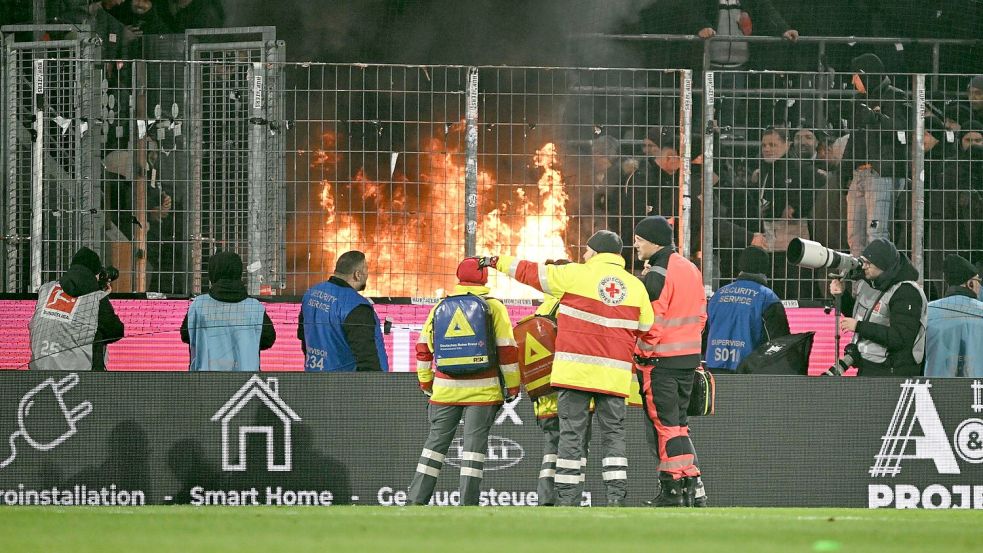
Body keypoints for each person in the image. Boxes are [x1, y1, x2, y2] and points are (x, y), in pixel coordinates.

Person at [484, 230, 654, 507]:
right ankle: (616, 499)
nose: (585, 256)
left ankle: (567, 500)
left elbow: (528, 272)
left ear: (596, 252)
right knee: (614, 438)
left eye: (587, 251)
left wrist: (495, 260)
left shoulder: (575, 275)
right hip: (614, 377)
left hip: (574, 374)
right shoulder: (635, 286)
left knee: (571, 437)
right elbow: (646, 329)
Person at [407, 258, 520, 506]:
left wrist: (427, 383)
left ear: (458, 277)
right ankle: (467, 504)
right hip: (483, 392)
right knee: (473, 451)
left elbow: (423, 349)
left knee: (434, 446)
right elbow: (507, 351)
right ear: (484, 278)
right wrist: (513, 385)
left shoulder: (439, 307)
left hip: (445, 390)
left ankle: (416, 500)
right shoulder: (494, 307)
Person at [631, 216, 707, 507]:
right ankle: (688, 484)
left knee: (665, 427)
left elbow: (652, 321)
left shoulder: (658, 272)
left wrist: (641, 353)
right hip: (687, 360)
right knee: (678, 426)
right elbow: (701, 315)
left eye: (639, 238)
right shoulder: (689, 267)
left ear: (653, 240)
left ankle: (672, 490)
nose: (635, 243)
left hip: (660, 363)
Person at [828, 238, 927, 377]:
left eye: (869, 264)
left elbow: (900, 338)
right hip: (868, 366)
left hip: (894, 371)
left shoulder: (906, 292)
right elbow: (861, 315)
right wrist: (842, 296)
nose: (863, 267)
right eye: (863, 262)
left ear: (883, 265)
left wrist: (859, 326)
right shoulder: (870, 284)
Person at [29, 247, 124, 370]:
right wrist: (102, 295)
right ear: (95, 274)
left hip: (37, 370)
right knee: (98, 332)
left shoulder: (46, 289)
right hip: (77, 378)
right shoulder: (96, 298)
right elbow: (115, 331)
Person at [179, 251, 276, 371]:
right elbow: (268, 339)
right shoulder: (255, 307)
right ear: (238, 272)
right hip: (245, 379)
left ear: (212, 273)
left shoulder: (199, 305)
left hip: (205, 380)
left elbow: (185, 335)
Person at [298, 250, 389, 372]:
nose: (367, 274)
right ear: (357, 274)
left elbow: (303, 337)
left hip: (314, 379)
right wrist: (376, 386)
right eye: (366, 269)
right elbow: (367, 359)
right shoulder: (356, 306)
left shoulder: (310, 294)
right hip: (345, 386)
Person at [705, 246, 790, 373]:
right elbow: (780, 343)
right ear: (765, 269)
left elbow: (704, 332)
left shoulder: (718, 295)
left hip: (714, 368)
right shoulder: (767, 298)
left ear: (741, 266)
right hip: (749, 372)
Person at [925, 255, 983, 377]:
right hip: (977, 387)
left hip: (937, 386)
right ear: (970, 284)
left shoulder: (929, 311)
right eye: (978, 281)